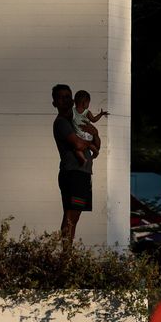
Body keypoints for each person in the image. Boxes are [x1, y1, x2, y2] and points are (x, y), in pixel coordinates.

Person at [52, 84, 99, 241]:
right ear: (55, 103)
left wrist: (95, 134)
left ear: (73, 101)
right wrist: (89, 143)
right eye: (61, 97)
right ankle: (66, 259)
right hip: (73, 173)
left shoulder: (77, 121)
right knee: (71, 216)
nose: (65, 100)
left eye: (68, 97)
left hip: (83, 173)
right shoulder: (61, 123)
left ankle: (67, 257)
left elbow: (97, 144)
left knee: (74, 218)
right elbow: (78, 144)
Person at [70, 90, 108, 160]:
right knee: (86, 145)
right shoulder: (87, 112)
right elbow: (94, 120)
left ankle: (90, 155)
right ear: (84, 103)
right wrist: (100, 114)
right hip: (83, 135)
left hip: (81, 134)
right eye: (88, 103)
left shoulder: (73, 111)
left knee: (82, 146)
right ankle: (93, 153)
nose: (88, 105)